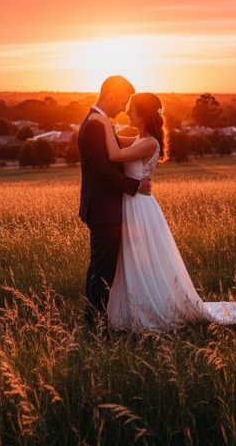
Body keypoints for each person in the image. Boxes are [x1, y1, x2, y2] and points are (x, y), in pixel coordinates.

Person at [88, 92, 236, 332]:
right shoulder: (139, 139)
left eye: (132, 109)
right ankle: (130, 308)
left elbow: (114, 154)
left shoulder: (150, 143)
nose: (127, 112)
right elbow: (115, 142)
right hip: (131, 204)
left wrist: (103, 121)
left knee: (143, 259)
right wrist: (104, 124)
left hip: (139, 207)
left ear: (144, 115)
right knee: (130, 259)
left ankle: (151, 307)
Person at [78, 75, 152, 330]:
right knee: (103, 274)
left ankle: (92, 323)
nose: (123, 108)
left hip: (104, 209)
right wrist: (136, 186)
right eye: (122, 101)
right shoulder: (94, 126)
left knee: (99, 269)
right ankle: (97, 328)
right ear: (110, 95)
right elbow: (104, 172)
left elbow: (121, 150)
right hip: (104, 211)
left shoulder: (100, 123)